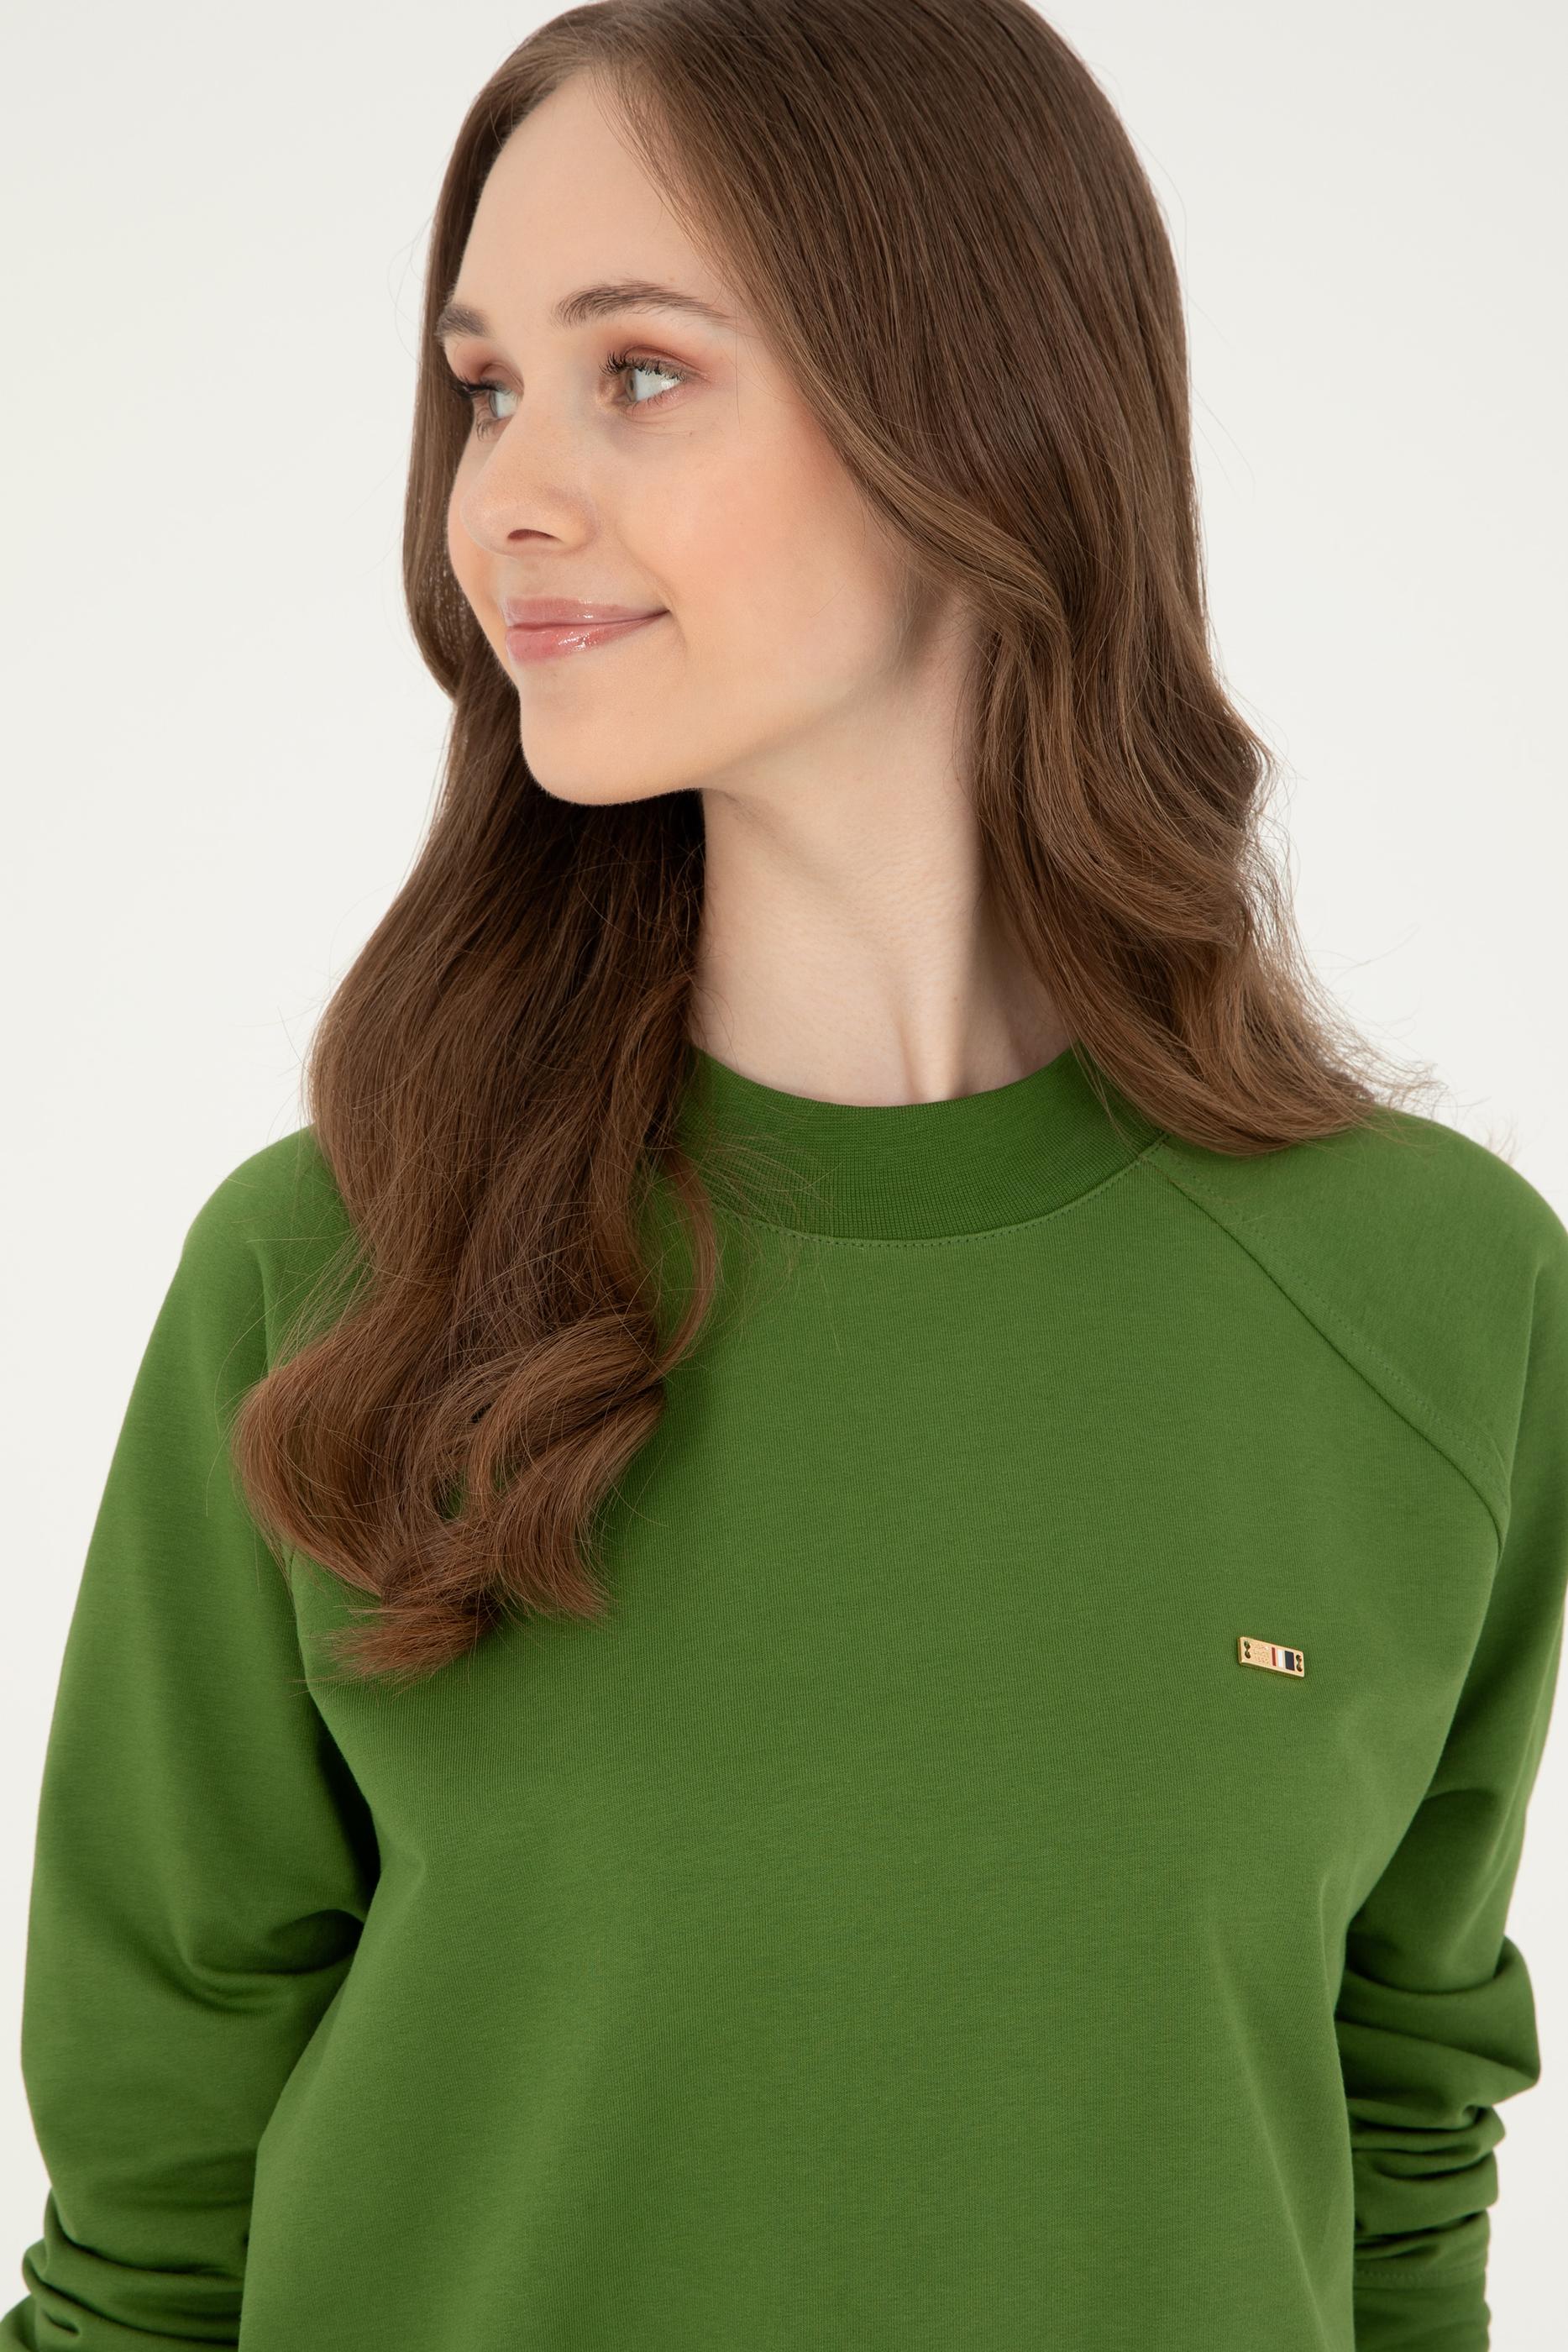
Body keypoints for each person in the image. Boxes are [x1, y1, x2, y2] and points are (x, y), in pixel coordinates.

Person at [4, 5, 1564, 2349]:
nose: (501, 498)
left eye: (636, 372)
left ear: (978, 411)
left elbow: (1397, 2160)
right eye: (484, 388)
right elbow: (150, 2239)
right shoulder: (331, 1271)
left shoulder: (1435, 1300)